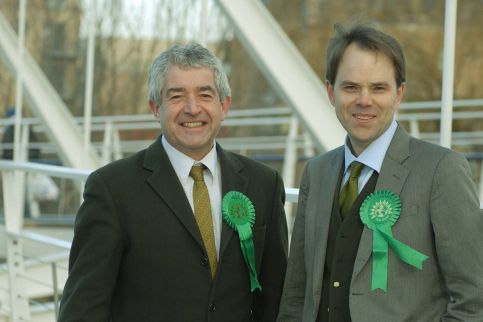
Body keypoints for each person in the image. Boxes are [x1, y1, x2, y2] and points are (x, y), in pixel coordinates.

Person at [58, 43, 288, 321]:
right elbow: (82, 308)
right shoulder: (112, 190)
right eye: (177, 96)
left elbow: (274, 301)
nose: (193, 109)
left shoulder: (264, 184)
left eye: (205, 94)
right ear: (156, 107)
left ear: (224, 105)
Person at [277, 23, 483, 322]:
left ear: (399, 94)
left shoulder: (442, 170)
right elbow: (297, 292)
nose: (364, 100)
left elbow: (473, 298)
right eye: (350, 87)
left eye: (378, 88)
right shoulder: (317, 172)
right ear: (330, 92)